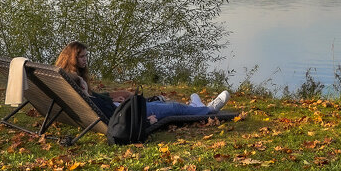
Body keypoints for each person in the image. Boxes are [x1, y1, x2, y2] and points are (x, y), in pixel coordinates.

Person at [53, 42, 229, 123]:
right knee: (173, 108)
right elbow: (107, 113)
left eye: (86, 56)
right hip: (126, 114)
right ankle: (209, 109)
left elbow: (96, 99)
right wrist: (142, 119)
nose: (85, 60)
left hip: (118, 108)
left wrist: (114, 99)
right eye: (82, 57)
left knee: (164, 105)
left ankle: (195, 105)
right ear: (72, 58)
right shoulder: (76, 81)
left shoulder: (69, 83)